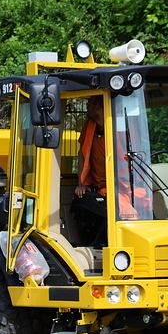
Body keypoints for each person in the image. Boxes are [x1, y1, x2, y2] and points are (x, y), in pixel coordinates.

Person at [72, 98, 108, 246]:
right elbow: (82, 154)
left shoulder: (117, 127)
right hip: (97, 187)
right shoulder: (89, 127)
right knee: (81, 205)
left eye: (90, 105)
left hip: (119, 187)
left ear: (99, 107)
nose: (87, 108)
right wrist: (81, 184)